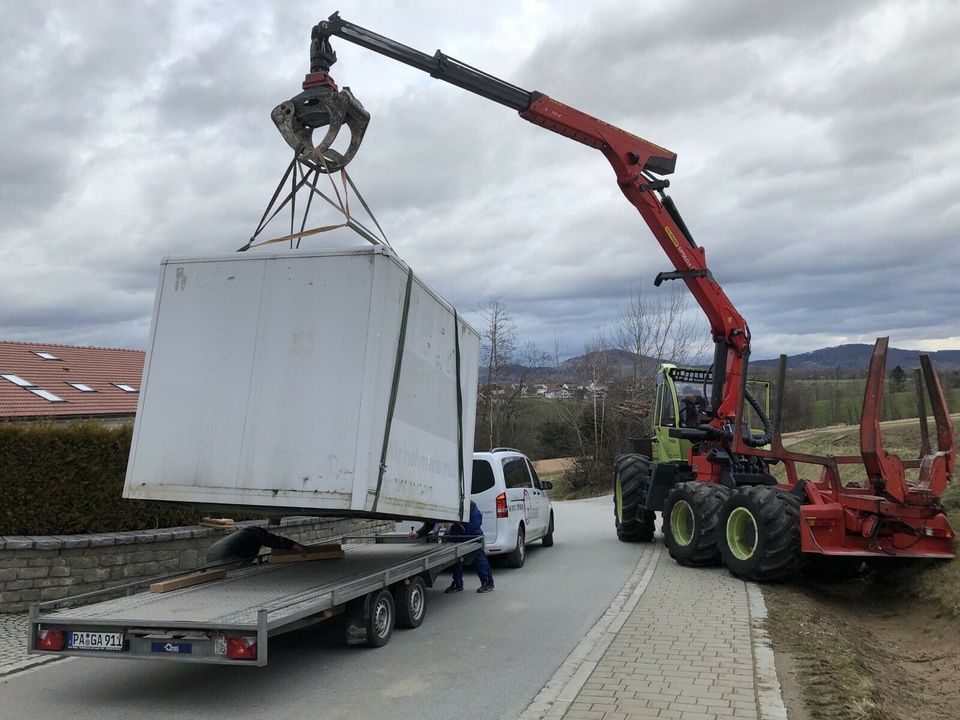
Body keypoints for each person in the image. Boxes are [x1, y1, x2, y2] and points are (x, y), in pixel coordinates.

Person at [409, 501, 495, 593]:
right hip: (457, 521)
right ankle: (458, 584)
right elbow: (430, 524)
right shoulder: (431, 507)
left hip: (470, 516)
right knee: (454, 551)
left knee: (476, 549)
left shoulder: (440, 499)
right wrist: (418, 534)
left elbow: (460, 505)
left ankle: (487, 582)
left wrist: (453, 522)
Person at [206, 526, 308, 566]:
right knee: (237, 574)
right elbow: (272, 541)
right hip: (224, 555)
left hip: (212, 552)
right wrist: (295, 545)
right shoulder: (255, 532)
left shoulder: (244, 535)